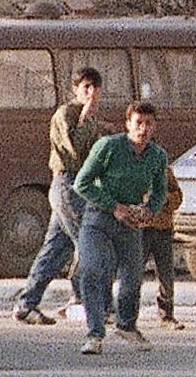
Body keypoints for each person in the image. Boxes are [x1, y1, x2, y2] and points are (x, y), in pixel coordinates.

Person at [69, 99, 169, 357]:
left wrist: (149, 210)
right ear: (128, 124)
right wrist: (113, 206)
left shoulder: (157, 156)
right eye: (138, 123)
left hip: (129, 222)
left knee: (133, 275)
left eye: (148, 124)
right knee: (93, 269)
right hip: (99, 218)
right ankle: (94, 332)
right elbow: (82, 183)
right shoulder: (109, 147)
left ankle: (126, 325)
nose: (143, 129)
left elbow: (160, 190)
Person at [15, 68, 111, 325]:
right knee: (90, 241)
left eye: (96, 88)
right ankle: (98, 304)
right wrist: (86, 119)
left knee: (56, 248)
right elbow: (73, 152)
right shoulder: (66, 114)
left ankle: (27, 304)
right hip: (67, 183)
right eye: (86, 87)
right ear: (75, 89)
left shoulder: (90, 120)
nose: (91, 93)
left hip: (82, 186)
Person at [138, 153, 184, 328]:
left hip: (163, 228)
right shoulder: (133, 171)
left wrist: (164, 199)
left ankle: (167, 315)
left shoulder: (165, 172)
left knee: (166, 274)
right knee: (134, 272)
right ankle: (127, 313)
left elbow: (177, 196)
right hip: (141, 227)